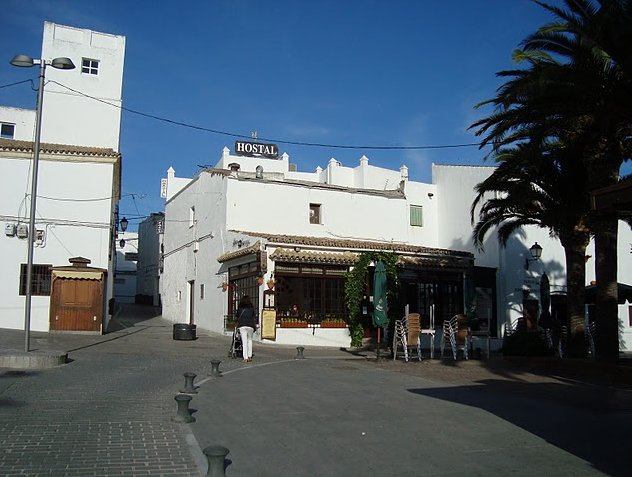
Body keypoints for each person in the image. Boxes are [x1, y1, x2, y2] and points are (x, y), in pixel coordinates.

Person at [236, 295, 256, 362]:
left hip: (242, 325)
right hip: (250, 325)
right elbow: (253, 315)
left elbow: (237, 315)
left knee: (244, 341)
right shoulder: (251, 307)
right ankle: (250, 356)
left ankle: (245, 357)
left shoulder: (240, 307)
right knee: (249, 340)